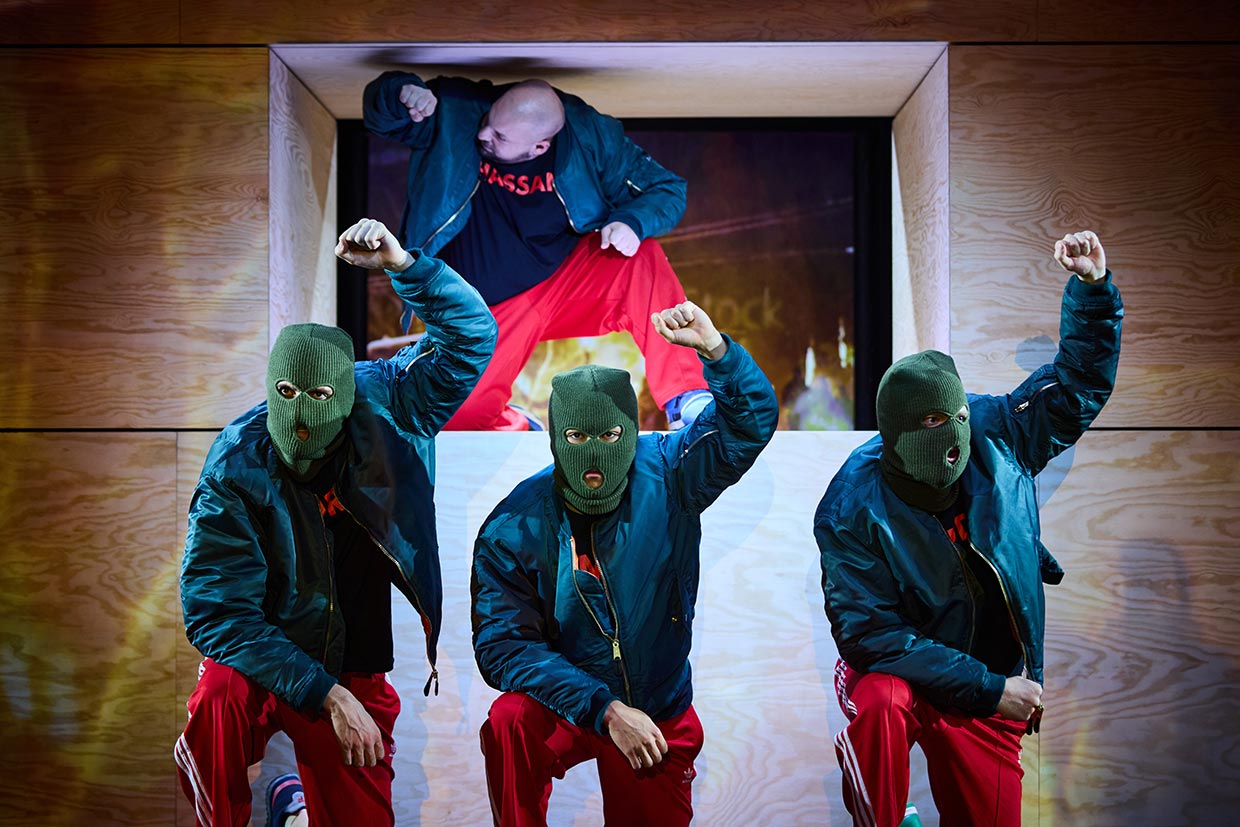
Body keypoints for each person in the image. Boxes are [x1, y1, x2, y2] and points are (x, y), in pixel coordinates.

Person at [174, 218, 497, 827]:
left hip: (353, 658)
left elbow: (471, 336)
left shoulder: (392, 405)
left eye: (321, 398)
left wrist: (403, 266)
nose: (301, 414)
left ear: (346, 395)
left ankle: (294, 808)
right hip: (261, 660)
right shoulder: (237, 461)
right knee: (218, 697)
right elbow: (216, 610)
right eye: (286, 392)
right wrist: (324, 693)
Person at [815, 230, 1123, 827]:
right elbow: (870, 634)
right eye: (933, 422)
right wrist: (987, 687)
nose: (953, 434)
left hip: (988, 675)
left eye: (957, 415)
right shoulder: (852, 504)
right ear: (896, 434)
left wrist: (1092, 290)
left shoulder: (998, 433)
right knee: (879, 704)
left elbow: (1076, 388)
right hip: (903, 675)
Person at [470, 301, 778, 825]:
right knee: (509, 722)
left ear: (631, 433)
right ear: (555, 439)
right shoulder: (514, 524)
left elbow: (750, 425)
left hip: (656, 705)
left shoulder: (672, 472)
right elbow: (503, 645)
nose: (594, 456)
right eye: (576, 437)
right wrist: (604, 708)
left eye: (610, 437)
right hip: (569, 701)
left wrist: (716, 351)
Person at [363, 71, 711, 432]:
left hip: (559, 284)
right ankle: (521, 425)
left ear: (540, 147)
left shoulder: (590, 137)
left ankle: (687, 396)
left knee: (640, 259)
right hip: (481, 315)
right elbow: (382, 119)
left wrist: (632, 222)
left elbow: (668, 189)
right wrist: (399, 93)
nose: (484, 136)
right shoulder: (454, 109)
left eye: (500, 137)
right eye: (488, 123)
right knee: (459, 417)